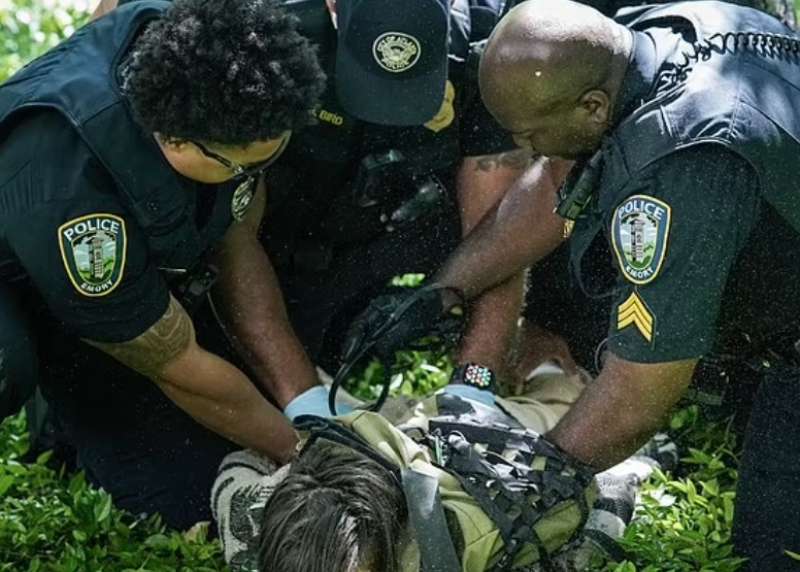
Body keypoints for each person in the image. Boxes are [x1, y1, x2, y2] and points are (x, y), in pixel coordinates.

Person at [346, 0, 800, 568]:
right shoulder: (649, 39)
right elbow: (557, 179)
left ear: (592, 106)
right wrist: (442, 290)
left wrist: (526, 481)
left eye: (531, 133)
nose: (528, 148)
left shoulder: (685, 163)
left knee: (773, 554)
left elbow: (640, 389)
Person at [0, 0, 327, 528]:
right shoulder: (73, 197)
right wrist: (306, 452)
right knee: (180, 493)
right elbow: (176, 362)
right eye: (243, 163)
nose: (260, 169)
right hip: (26, 266)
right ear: (173, 140)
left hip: (126, 255)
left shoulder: (214, 48)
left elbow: (236, 225)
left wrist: (311, 406)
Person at [212, 366, 677, 572]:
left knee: (563, 388)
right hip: (388, 430)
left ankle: (547, 364)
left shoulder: (476, 544)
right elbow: (237, 465)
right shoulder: (251, 522)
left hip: (490, 443)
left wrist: (643, 460)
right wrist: (291, 464)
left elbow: (610, 488)